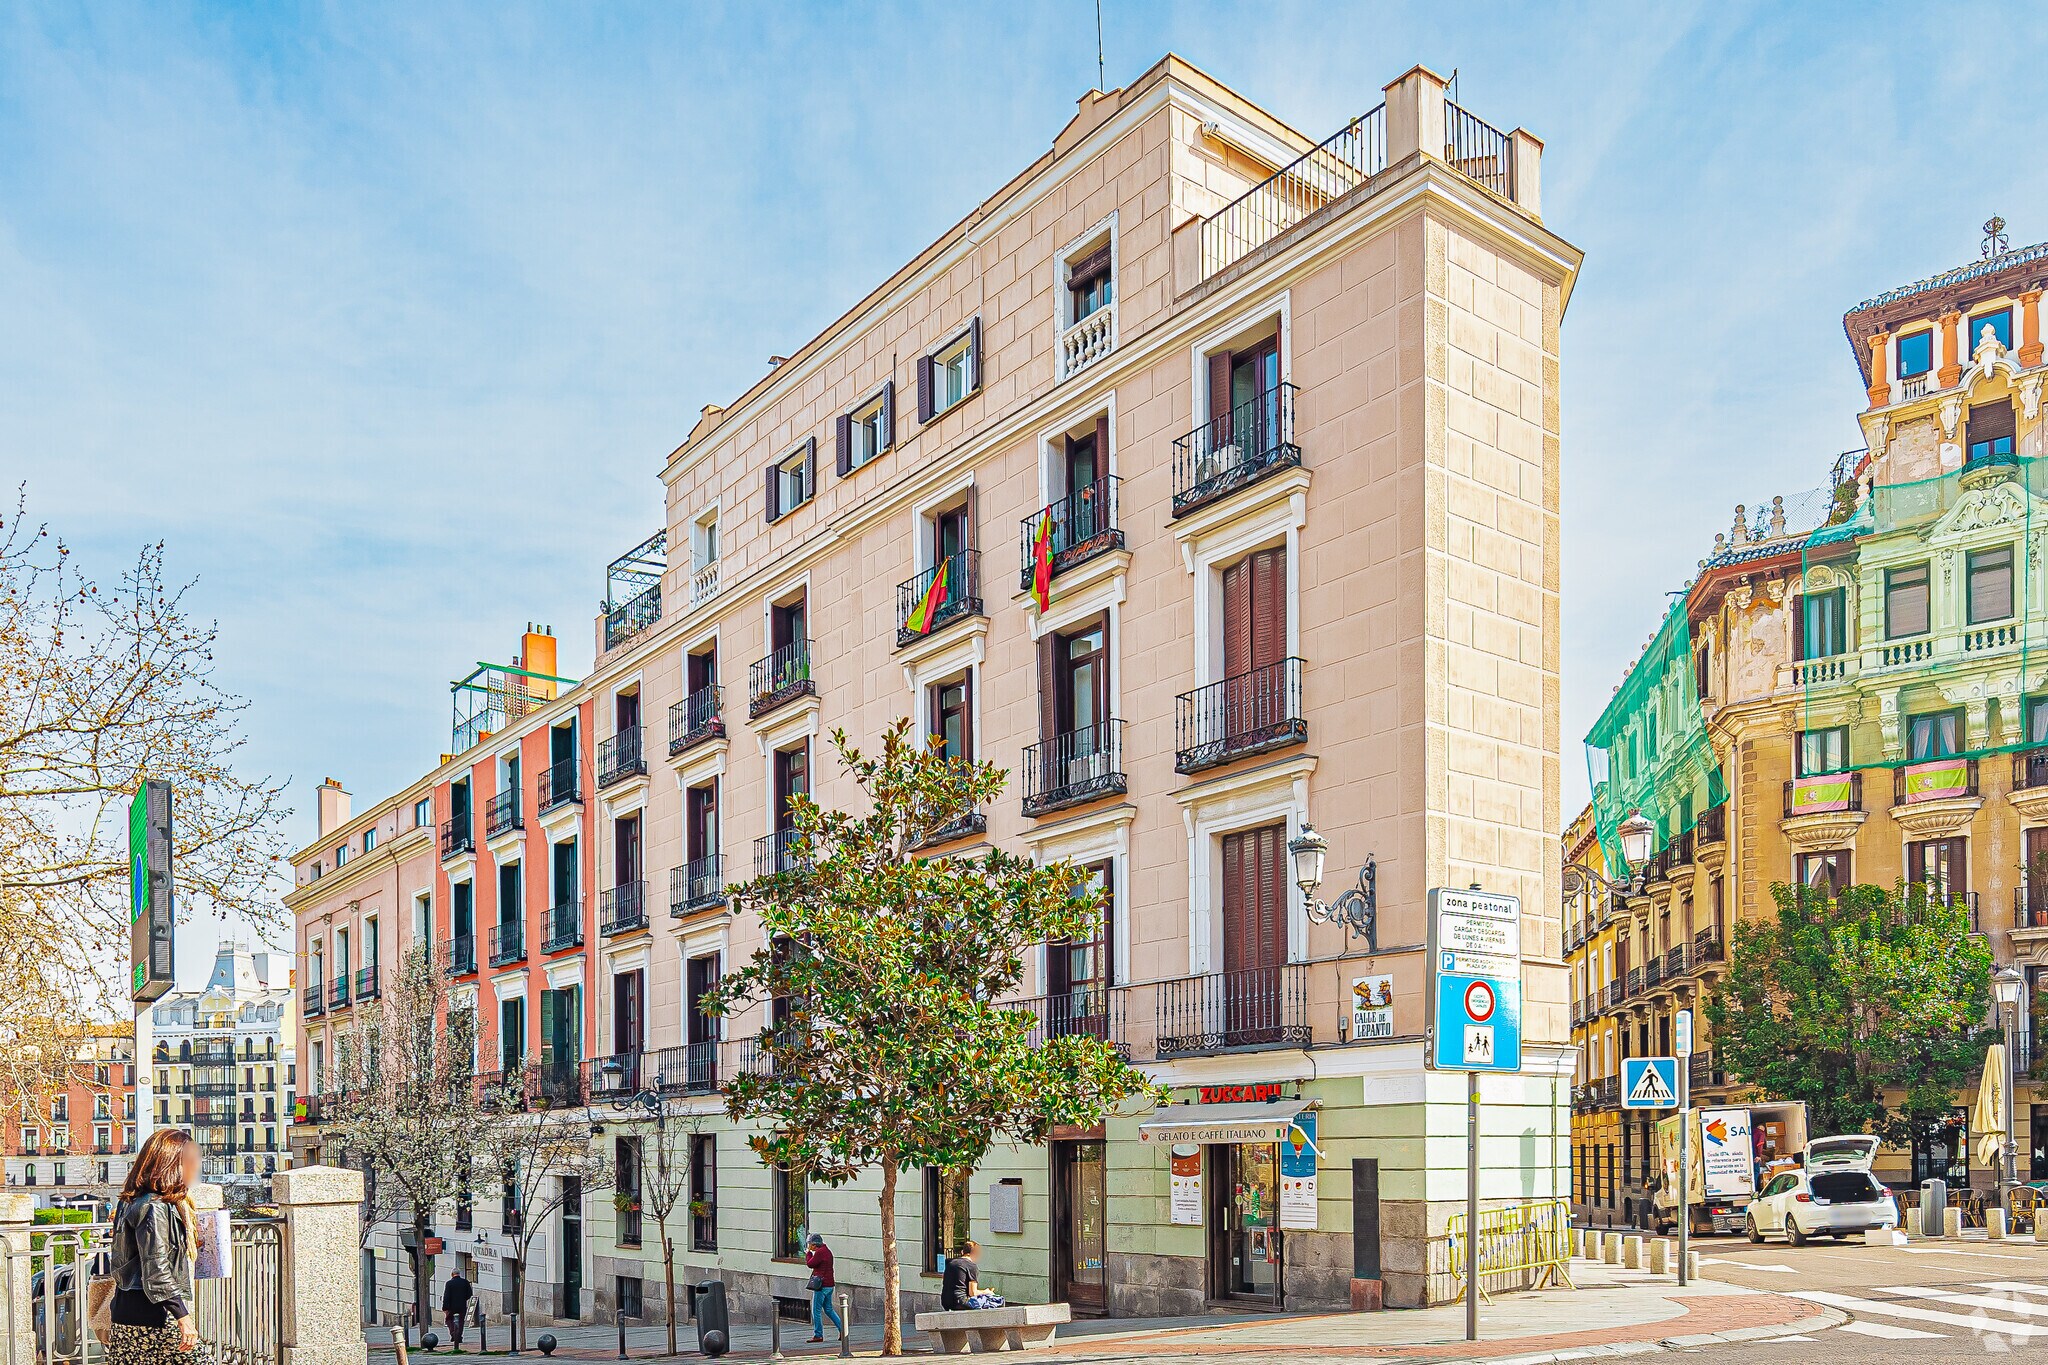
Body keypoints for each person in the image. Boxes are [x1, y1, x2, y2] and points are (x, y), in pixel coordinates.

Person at [108, 1127, 202, 1364]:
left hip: (127, 1311)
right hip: (154, 1315)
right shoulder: (155, 1207)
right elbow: (156, 1267)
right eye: (192, 1160)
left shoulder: (131, 1201)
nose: (197, 1166)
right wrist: (183, 1317)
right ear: (173, 1165)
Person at [804, 1234, 842, 1342]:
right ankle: (843, 1330)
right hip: (829, 1285)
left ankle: (818, 1335)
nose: (809, 1246)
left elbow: (810, 1264)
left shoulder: (820, 1252)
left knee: (816, 1310)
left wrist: (808, 1254)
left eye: (810, 1244)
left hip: (821, 1286)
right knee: (829, 1309)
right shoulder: (827, 1251)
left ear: (814, 1245)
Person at [939, 1239, 979, 1312]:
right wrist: (986, 1292)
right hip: (961, 1301)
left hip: (945, 1301)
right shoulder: (972, 1266)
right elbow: (973, 1293)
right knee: (988, 1302)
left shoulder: (951, 1263)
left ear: (962, 1252)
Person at [442, 1270, 475, 1350]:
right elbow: (470, 1294)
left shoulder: (449, 1283)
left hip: (451, 1306)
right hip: (462, 1305)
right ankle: (459, 1336)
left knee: (449, 1320)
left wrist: (445, 1307)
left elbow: (446, 1296)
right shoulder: (465, 1282)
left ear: (452, 1274)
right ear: (459, 1274)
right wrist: (463, 1299)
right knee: (460, 1321)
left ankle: (453, 1333)